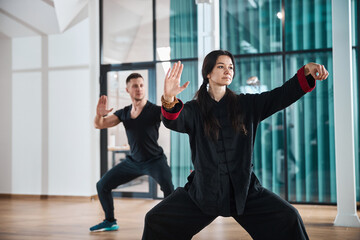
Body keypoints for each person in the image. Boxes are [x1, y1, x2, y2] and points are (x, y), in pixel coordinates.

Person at [142, 50, 329, 240]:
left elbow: (280, 96)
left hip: (244, 191)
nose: (227, 71)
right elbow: (174, 120)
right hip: (204, 192)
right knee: (156, 219)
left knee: (289, 217)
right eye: (221, 66)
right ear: (208, 73)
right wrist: (169, 99)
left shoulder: (247, 105)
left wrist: (306, 71)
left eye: (230, 67)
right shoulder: (194, 109)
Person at [90, 73, 174, 232]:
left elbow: (171, 116)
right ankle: (109, 221)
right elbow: (99, 125)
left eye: (141, 85)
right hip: (133, 162)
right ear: (127, 89)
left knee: (169, 190)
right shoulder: (124, 113)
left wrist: (170, 98)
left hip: (155, 160)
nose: (139, 89)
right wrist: (100, 114)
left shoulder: (155, 110)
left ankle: (171, 223)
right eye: (135, 86)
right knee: (102, 185)